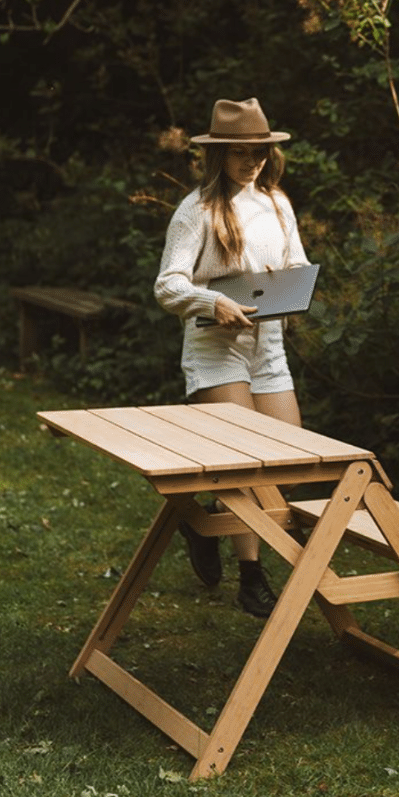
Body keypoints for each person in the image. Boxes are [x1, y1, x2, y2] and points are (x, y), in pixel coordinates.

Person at [154, 97, 308, 618]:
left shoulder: (278, 204)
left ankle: (202, 521)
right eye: (241, 153)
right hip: (215, 349)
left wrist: (297, 289)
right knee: (245, 463)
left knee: (287, 461)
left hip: (268, 348)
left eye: (260, 152)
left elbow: (296, 264)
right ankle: (251, 578)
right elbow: (168, 285)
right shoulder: (197, 209)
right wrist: (212, 300)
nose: (252, 162)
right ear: (219, 154)